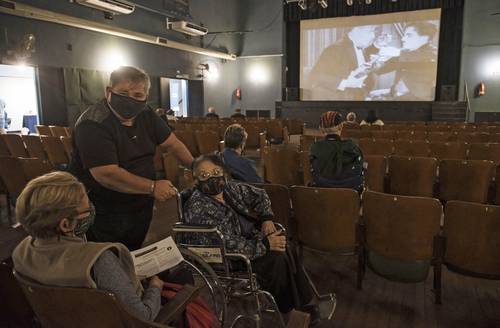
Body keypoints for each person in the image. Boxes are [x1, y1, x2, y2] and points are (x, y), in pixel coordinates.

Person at [11, 172, 165, 322]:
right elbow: (142, 317)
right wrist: (155, 287)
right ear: (66, 224)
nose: (91, 209)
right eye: (87, 209)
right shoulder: (99, 261)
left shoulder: (21, 252)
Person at [183, 154, 318, 322]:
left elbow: (260, 194)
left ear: (223, 172)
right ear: (196, 180)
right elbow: (224, 243)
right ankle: (290, 310)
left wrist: (266, 218)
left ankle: (304, 303)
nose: (211, 177)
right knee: (277, 258)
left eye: (216, 171)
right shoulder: (197, 208)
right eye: (204, 175)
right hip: (231, 256)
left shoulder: (228, 188)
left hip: (251, 240)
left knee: (286, 245)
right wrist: (265, 245)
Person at [70, 66, 194, 251]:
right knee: (110, 254)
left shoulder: (145, 113)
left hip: (139, 201)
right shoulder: (93, 124)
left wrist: (197, 167)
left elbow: (173, 144)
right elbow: (107, 174)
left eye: (137, 95)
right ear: (109, 92)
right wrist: (152, 187)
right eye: (123, 92)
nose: (130, 99)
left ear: (145, 97)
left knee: (133, 248)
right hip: (105, 206)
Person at [305, 26, 379, 100]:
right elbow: (316, 76)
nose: (373, 36)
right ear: (356, 29)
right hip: (338, 101)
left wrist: (377, 46)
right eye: (370, 31)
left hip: (358, 97)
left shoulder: (359, 47)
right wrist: (346, 83)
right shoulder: (335, 49)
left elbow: (357, 61)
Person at [369, 22, 439, 101]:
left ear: (425, 38)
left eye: (409, 35)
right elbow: (379, 70)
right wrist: (377, 53)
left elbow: (421, 58)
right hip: (396, 96)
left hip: (419, 101)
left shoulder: (433, 54)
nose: (403, 39)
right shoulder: (404, 54)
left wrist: (396, 52)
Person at [309, 111, 364, 192]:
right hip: (350, 197)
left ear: (321, 129)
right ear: (341, 126)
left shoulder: (315, 147)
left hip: (322, 195)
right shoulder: (353, 147)